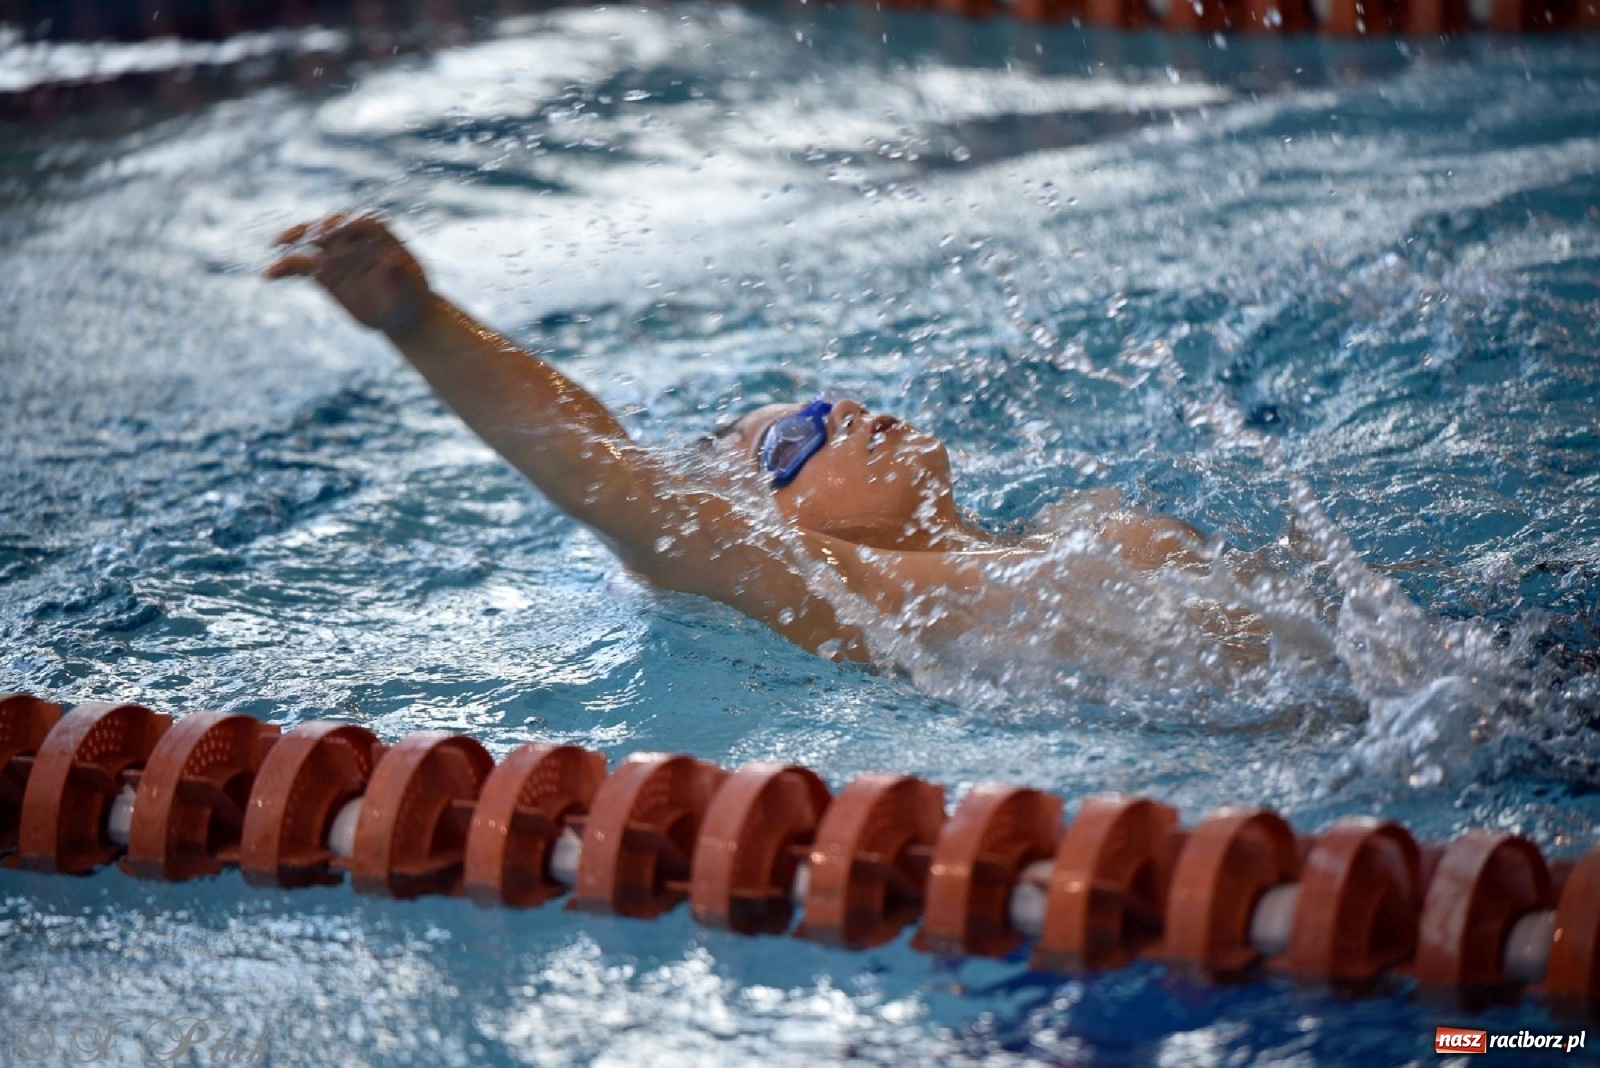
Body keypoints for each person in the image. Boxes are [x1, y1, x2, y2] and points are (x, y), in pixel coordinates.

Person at [267, 214, 1262, 673]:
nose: (838, 405)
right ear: (755, 527)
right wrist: (423, 323)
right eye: (794, 435)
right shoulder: (862, 602)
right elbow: (608, 476)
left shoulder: (1094, 524)